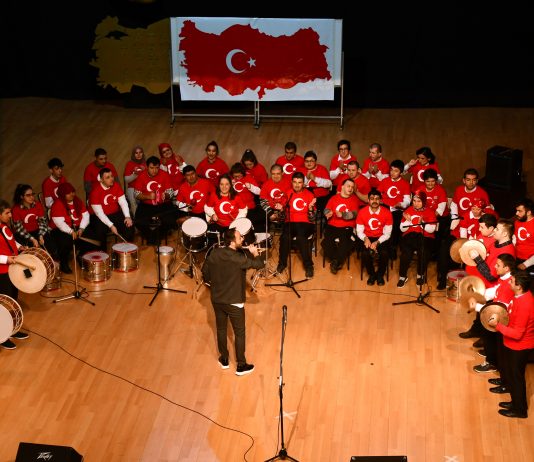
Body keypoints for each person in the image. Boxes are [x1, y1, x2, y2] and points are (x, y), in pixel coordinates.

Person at [202, 228, 265, 376]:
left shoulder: (215, 253)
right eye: (239, 237)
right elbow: (258, 264)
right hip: (235, 301)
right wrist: (255, 253)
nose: (242, 238)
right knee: (239, 333)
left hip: (217, 299)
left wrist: (215, 286)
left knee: (221, 329)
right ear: (231, 242)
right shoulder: (237, 259)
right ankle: (241, 365)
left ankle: (224, 359)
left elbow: (205, 272)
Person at [488, 270, 534, 418]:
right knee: (512, 376)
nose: (509, 282)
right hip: (512, 344)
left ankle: (520, 409)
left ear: (519, 286)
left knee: (516, 378)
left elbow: (517, 334)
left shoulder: (525, 304)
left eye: (512, 281)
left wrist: (497, 326)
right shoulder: (519, 296)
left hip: (519, 347)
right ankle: (514, 402)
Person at [466, 253, 515, 373]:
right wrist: (477, 295)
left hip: (500, 320)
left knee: (491, 339)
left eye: (498, 265)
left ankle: (492, 363)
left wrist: (476, 306)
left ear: (506, 268)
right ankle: (491, 358)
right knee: (489, 338)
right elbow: (494, 291)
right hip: (496, 316)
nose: (494, 267)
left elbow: (498, 310)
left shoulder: (509, 284)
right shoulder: (504, 279)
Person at [0, 199, 30, 350]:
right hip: (2, 273)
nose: (10, 215)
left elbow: (10, 241)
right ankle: (2, 336)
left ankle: (13, 329)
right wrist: (6, 259)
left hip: (12, 269)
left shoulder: (5, 226)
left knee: (12, 300)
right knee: (3, 305)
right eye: (7, 213)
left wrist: (20, 247)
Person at [276, 172, 316, 278]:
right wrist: (281, 211)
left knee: (301, 237)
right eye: (295, 182)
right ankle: (282, 264)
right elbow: (281, 218)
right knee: (285, 237)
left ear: (303, 183)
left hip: (306, 223)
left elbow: (313, 219)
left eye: (299, 182)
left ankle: (309, 266)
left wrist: (310, 209)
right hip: (290, 222)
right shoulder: (288, 194)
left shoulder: (309, 195)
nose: (297, 185)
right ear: (292, 182)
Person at [397, 190, 437, 287]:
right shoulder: (408, 210)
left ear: (424, 201)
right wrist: (407, 221)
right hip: (410, 236)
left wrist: (422, 223)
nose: (416, 203)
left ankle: (420, 275)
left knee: (423, 252)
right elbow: (402, 229)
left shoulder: (430, 212)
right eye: (414, 201)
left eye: (419, 201)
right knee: (405, 253)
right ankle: (402, 276)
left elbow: (432, 229)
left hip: (425, 236)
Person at [134, 156, 177, 245]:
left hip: (163, 204)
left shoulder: (164, 174)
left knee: (171, 220)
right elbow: (136, 194)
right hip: (147, 205)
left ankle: (157, 235)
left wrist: (166, 195)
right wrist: (148, 196)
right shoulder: (141, 176)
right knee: (138, 222)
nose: (154, 170)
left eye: (157, 168)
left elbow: (171, 192)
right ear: (147, 167)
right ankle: (152, 236)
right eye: (152, 168)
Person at [87, 168, 134, 250]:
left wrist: (127, 216)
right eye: (107, 177)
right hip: (99, 217)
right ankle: (103, 253)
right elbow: (99, 213)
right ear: (101, 180)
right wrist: (111, 225)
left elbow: (123, 202)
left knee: (129, 226)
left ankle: (126, 250)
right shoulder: (95, 192)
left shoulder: (116, 185)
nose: (111, 179)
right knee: (100, 232)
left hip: (114, 213)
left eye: (112, 176)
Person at [49, 182, 90, 274]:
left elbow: (86, 215)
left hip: (77, 227)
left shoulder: (77, 201)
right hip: (59, 229)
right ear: (63, 194)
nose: (72, 194)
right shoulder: (57, 204)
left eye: (73, 192)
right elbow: (59, 223)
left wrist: (82, 228)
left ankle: (81, 256)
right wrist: (70, 231)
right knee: (65, 242)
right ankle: (63, 263)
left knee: (91, 235)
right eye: (68, 193)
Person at [11, 184, 58, 260]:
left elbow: (42, 222)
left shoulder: (38, 205)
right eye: (28, 195)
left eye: (32, 194)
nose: (32, 197)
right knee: (32, 252)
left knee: (52, 246)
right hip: (24, 234)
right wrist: (32, 239)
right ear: (21, 197)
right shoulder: (16, 209)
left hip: (37, 230)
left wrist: (41, 235)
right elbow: (19, 229)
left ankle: (53, 261)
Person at [322, 178, 359, 274]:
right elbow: (326, 209)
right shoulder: (334, 198)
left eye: (352, 187)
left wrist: (342, 214)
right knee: (326, 242)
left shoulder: (354, 199)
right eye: (348, 186)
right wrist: (328, 213)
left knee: (344, 242)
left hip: (346, 226)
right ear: (342, 187)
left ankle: (335, 262)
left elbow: (354, 214)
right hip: (332, 225)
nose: (350, 188)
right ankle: (337, 260)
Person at [356, 189, 393, 286]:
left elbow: (387, 234)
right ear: (368, 200)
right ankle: (372, 274)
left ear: (380, 200)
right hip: (367, 236)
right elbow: (359, 231)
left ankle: (380, 275)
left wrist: (377, 242)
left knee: (384, 253)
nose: (375, 201)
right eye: (372, 198)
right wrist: (365, 239)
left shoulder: (387, 212)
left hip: (381, 237)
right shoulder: (362, 212)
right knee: (365, 253)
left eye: (377, 199)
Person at [378, 159, 411, 260]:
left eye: (396, 171)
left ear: (401, 172)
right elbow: (377, 195)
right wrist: (379, 200)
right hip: (384, 208)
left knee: (395, 225)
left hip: (396, 209)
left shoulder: (405, 184)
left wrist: (401, 204)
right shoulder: (385, 181)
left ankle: (392, 247)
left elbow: (407, 201)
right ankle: (381, 247)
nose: (392, 172)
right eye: (391, 170)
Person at [468, 218, 516, 288]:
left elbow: (491, 277)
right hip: (481, 280)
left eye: (497, 229)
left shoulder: (507, 252)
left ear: (505, 234)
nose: (494, 230)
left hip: (489, 287)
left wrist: (477, 258)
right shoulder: (497, 243)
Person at [450, 168, 492, 235]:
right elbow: (454, 204)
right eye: (468, 180)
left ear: (477, 181)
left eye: (474, 180)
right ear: (464, 180)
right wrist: (455, 218)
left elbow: (487, 211)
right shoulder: (459, 190)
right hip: (460, 220)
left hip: (475, 223)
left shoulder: (482, 193)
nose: (471, 183)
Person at [123, 145, 146, 216]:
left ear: (143, 153)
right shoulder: (129, 164)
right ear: (133, 154)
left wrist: (145, 171)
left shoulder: (146, 163)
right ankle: (136, 218)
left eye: (140, 152)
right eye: (136, 153)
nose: (138, 154)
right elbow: (126, 180)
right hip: (132, 188)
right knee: (133, 203)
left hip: (144, 187)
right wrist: (135, 174)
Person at [513, 198, 534, 271]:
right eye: (516, 211)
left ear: (529, 212)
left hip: (530, 262)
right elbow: (515, 239)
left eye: (520, 211)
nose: (516, 213)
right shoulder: (517, 222)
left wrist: (526, 264)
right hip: (516, 258)